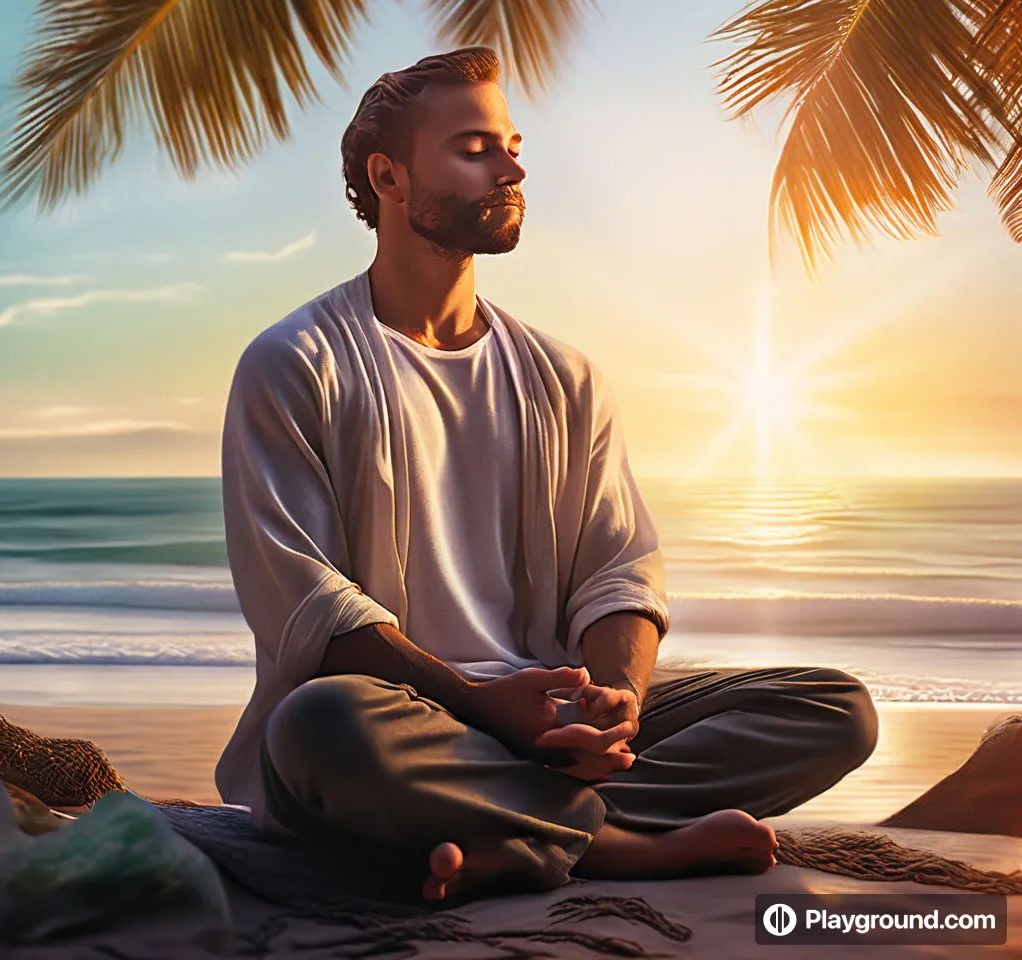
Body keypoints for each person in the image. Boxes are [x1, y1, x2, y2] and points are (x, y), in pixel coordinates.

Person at [214, 46, 879, 904]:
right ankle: (615, 843)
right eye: (475, 148)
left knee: (834, 707)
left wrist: (613, 708)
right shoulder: (295, 363)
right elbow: (308, 607)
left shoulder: (563, 376)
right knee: (317, 725)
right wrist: (488, 709)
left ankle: (515, 835)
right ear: (389, 176)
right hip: (406, 721)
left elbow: (617, 569)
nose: (514, 166)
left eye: (512, 143)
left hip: (551, 721)